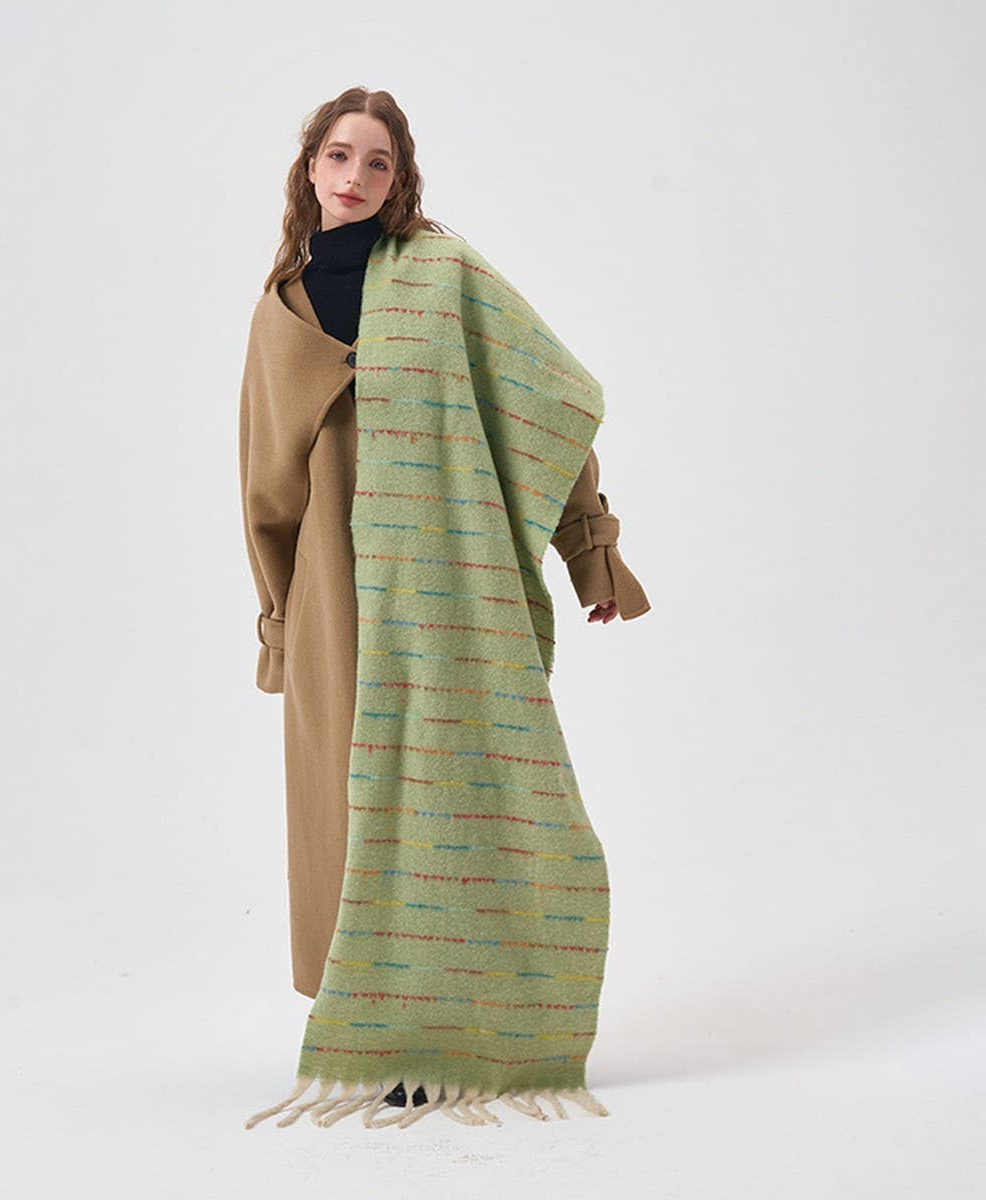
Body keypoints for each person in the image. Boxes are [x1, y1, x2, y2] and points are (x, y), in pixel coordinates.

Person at [238, 87, 650, 1113]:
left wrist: (590, 551)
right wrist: (282, 625)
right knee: (347, 804)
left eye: (377, 162)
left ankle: (468, 1025)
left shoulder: (441, 274)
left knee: (453, 796)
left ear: (399, 180)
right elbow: (264, 493)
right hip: (334, 595)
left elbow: (548, 402)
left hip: (447, 583)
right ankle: (376, 1034)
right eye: (340, 155)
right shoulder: (281, 308)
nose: (355, 176)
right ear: (310, 166)